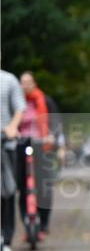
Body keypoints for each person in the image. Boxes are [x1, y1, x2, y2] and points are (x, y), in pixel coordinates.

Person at [17, 72, 60, 240]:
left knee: (44, 185)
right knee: (22, 186)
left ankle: (44, 223)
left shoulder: (45, 100)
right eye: (23, 82)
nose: (25, 85)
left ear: (34, 83)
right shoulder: (17, 101)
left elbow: (55, 122)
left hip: (42, 145)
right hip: (21, 144)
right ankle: (27, 223)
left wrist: (52, 136)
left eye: (28, 82)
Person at [1, 68, 25, 251]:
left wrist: (12, 127)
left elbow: (19, 108)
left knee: (7, 191)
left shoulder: (8, 80)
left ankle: (6, 242)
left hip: (5, 145)